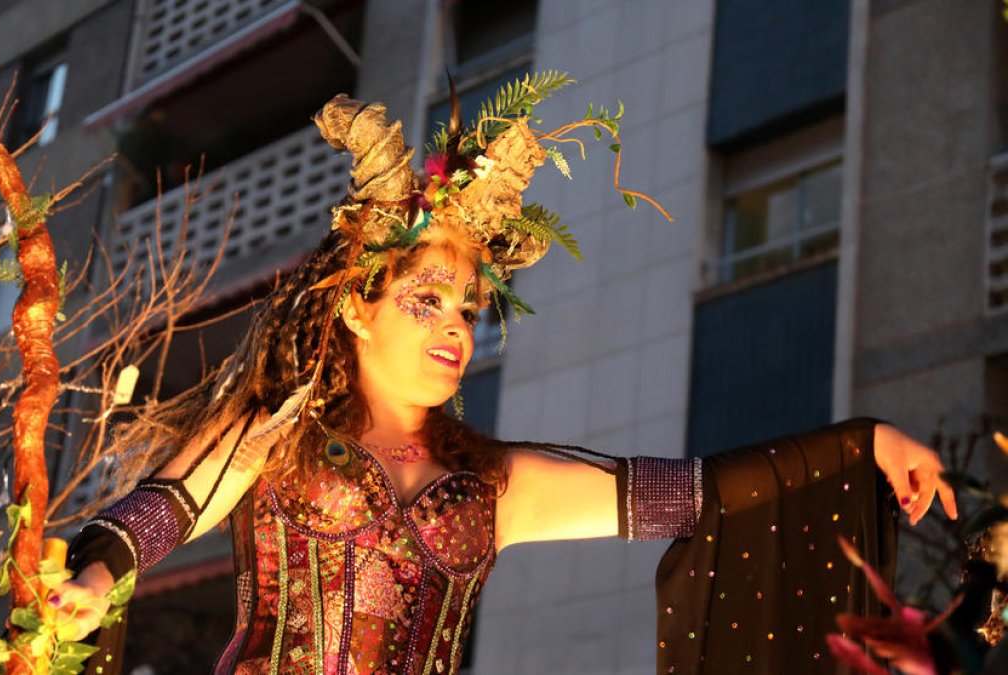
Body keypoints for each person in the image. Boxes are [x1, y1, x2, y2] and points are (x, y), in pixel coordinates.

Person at [53, 86, 958, 674]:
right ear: (358, 309)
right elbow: (165, 506)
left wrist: (859, 445)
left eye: (467, 309)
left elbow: (697, 495)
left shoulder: (493, 483)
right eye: (426, 299)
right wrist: (93, 580)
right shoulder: (278, 432)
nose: (454, 326)